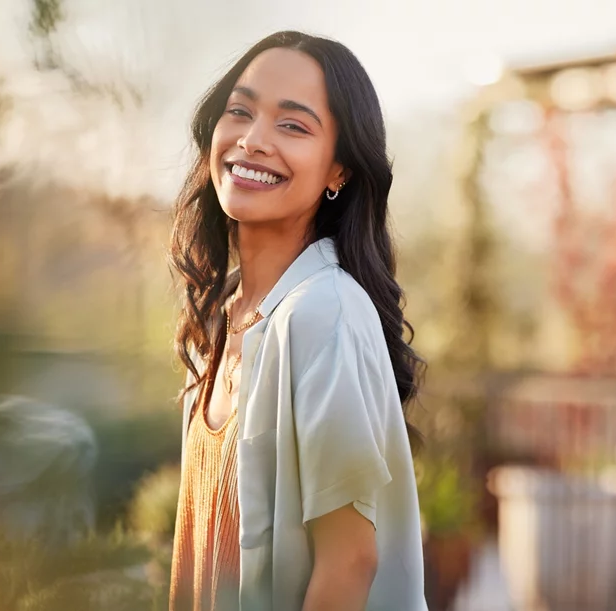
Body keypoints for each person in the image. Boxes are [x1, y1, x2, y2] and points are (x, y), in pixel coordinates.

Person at [168, 30, 428, 611]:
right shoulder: (222, 316)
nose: (253, 140)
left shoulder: (321, 313)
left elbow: (349, 563)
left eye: (293, 125)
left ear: (339, 171)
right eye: (239, 112)